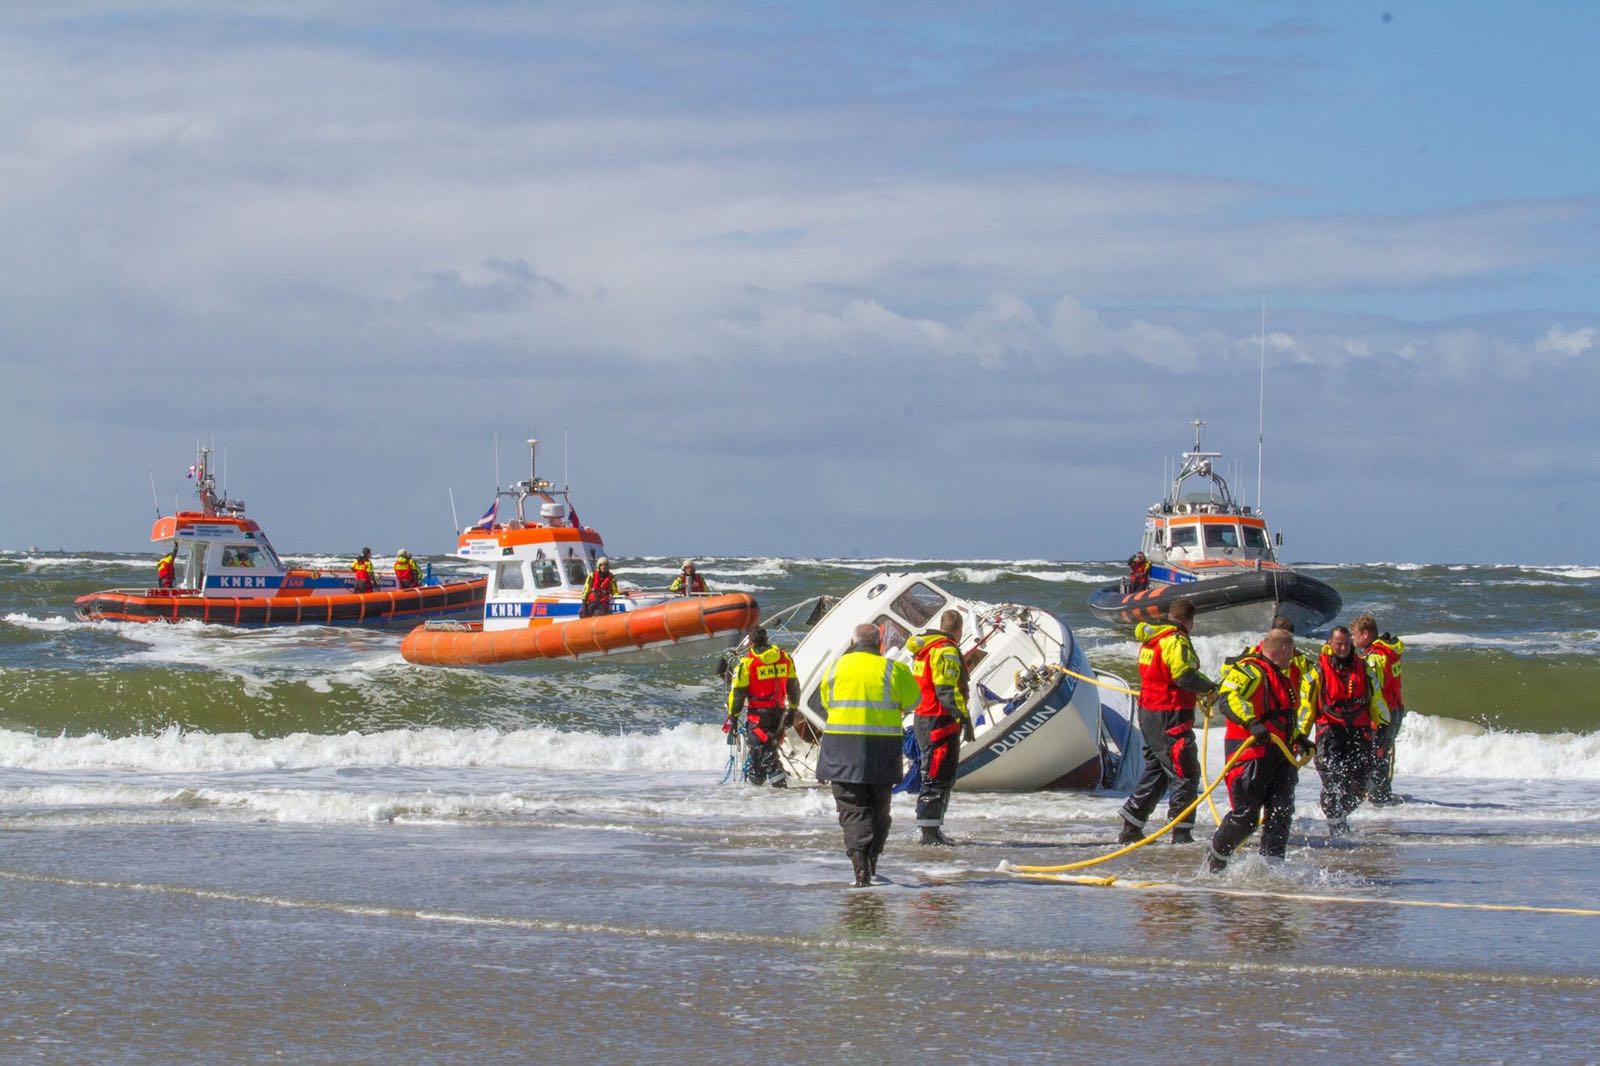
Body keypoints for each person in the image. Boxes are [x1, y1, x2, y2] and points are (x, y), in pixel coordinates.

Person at [816, 622, 920, 887]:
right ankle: (870, 862)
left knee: (852, 809)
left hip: (841, 746)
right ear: (880, 644)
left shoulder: (835, 667)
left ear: (853, 642)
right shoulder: (893, 668)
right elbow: (913, 701)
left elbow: (827, 702)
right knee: (879, 809)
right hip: (882, 747)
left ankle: (860, 868)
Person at [1206, 629, 1313, 873]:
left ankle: (1272, 867)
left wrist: (1300, 739)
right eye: (1292, 652)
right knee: (1247, 816)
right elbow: (1229, 698)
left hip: (1279, 753)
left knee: (1281, 811)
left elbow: (1286, 716)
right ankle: (1215, 861)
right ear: (1284, 650)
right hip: (1252, 754)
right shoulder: (1250, 670)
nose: (1293, 658)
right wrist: (1253, 724)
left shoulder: (1280, 676)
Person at [1117, 598, 1217, 845]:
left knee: (1159, 769)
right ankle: (1181, 832)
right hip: (1169, 712)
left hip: (1150, 711)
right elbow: (1182, 675)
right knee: (1186, 770)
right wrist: (1210, 687)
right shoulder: (1175, 640)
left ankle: (1132, 825)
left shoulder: (1152, 640)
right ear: (1190, 621)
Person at [904, 609, 974, 846]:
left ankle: (932, 829)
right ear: (959, 630)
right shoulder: (945, 650)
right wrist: (965, 719)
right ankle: (929, 833)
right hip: (940, 719)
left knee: (933, 773)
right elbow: (947, 690)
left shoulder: (923, 650)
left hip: (924, 716)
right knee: (937, 776)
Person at [1306, 625, 1380, 833]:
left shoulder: (1365, 669)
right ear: (1330, 644)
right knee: (1334, 782)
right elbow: (1305, 707)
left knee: (1360, 786)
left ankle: (1339, 816)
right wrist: (1300, 737)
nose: (1343, 648)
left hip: (1359, 732)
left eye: (1347, 643)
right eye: (1339, 643)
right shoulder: (1317, 672)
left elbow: (1377, 699)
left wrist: (1381, 725)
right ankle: (1335, 823)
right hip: (1329, 733)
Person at [724, 626, 800, 787]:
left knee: (765, 752)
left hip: (758, 715)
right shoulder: (785, 658)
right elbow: (794, 687)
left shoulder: (747, 664)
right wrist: (792, 711)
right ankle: (758, 789)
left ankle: (781, 789)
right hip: (779, 713)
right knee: (763, 751)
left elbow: (738, 694)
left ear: (750, 643)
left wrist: (733, 717)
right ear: (767, 639)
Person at [1353, 614, 1405, 803]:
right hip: (1397, 707)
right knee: (1384, 751)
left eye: (1355, 635)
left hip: (1381, 712)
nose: (1353, 639)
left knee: (1377, 753)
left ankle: (1378, 796)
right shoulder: (1391, 651)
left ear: (1365, 635)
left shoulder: (1374, 658)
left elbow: (1374, 691)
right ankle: (1380, 792)